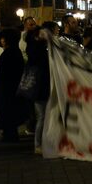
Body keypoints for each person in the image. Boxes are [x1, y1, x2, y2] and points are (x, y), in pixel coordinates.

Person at [26, 21, 59, 154]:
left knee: (43, 116)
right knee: (42, 116)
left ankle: (43, 142)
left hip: (42, 87)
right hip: (40, 88)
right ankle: (38, 144)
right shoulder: (37, 49)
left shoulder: (39, 48)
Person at [0, 28, 27, 142]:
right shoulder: (16, 52)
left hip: (6, 89)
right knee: (11, 112)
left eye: (3, 39)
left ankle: (9, 135)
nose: (1, 41)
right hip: (13, 87)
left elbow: (1, 71)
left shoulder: (8, 53)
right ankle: (10, 133)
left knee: (7, 112)